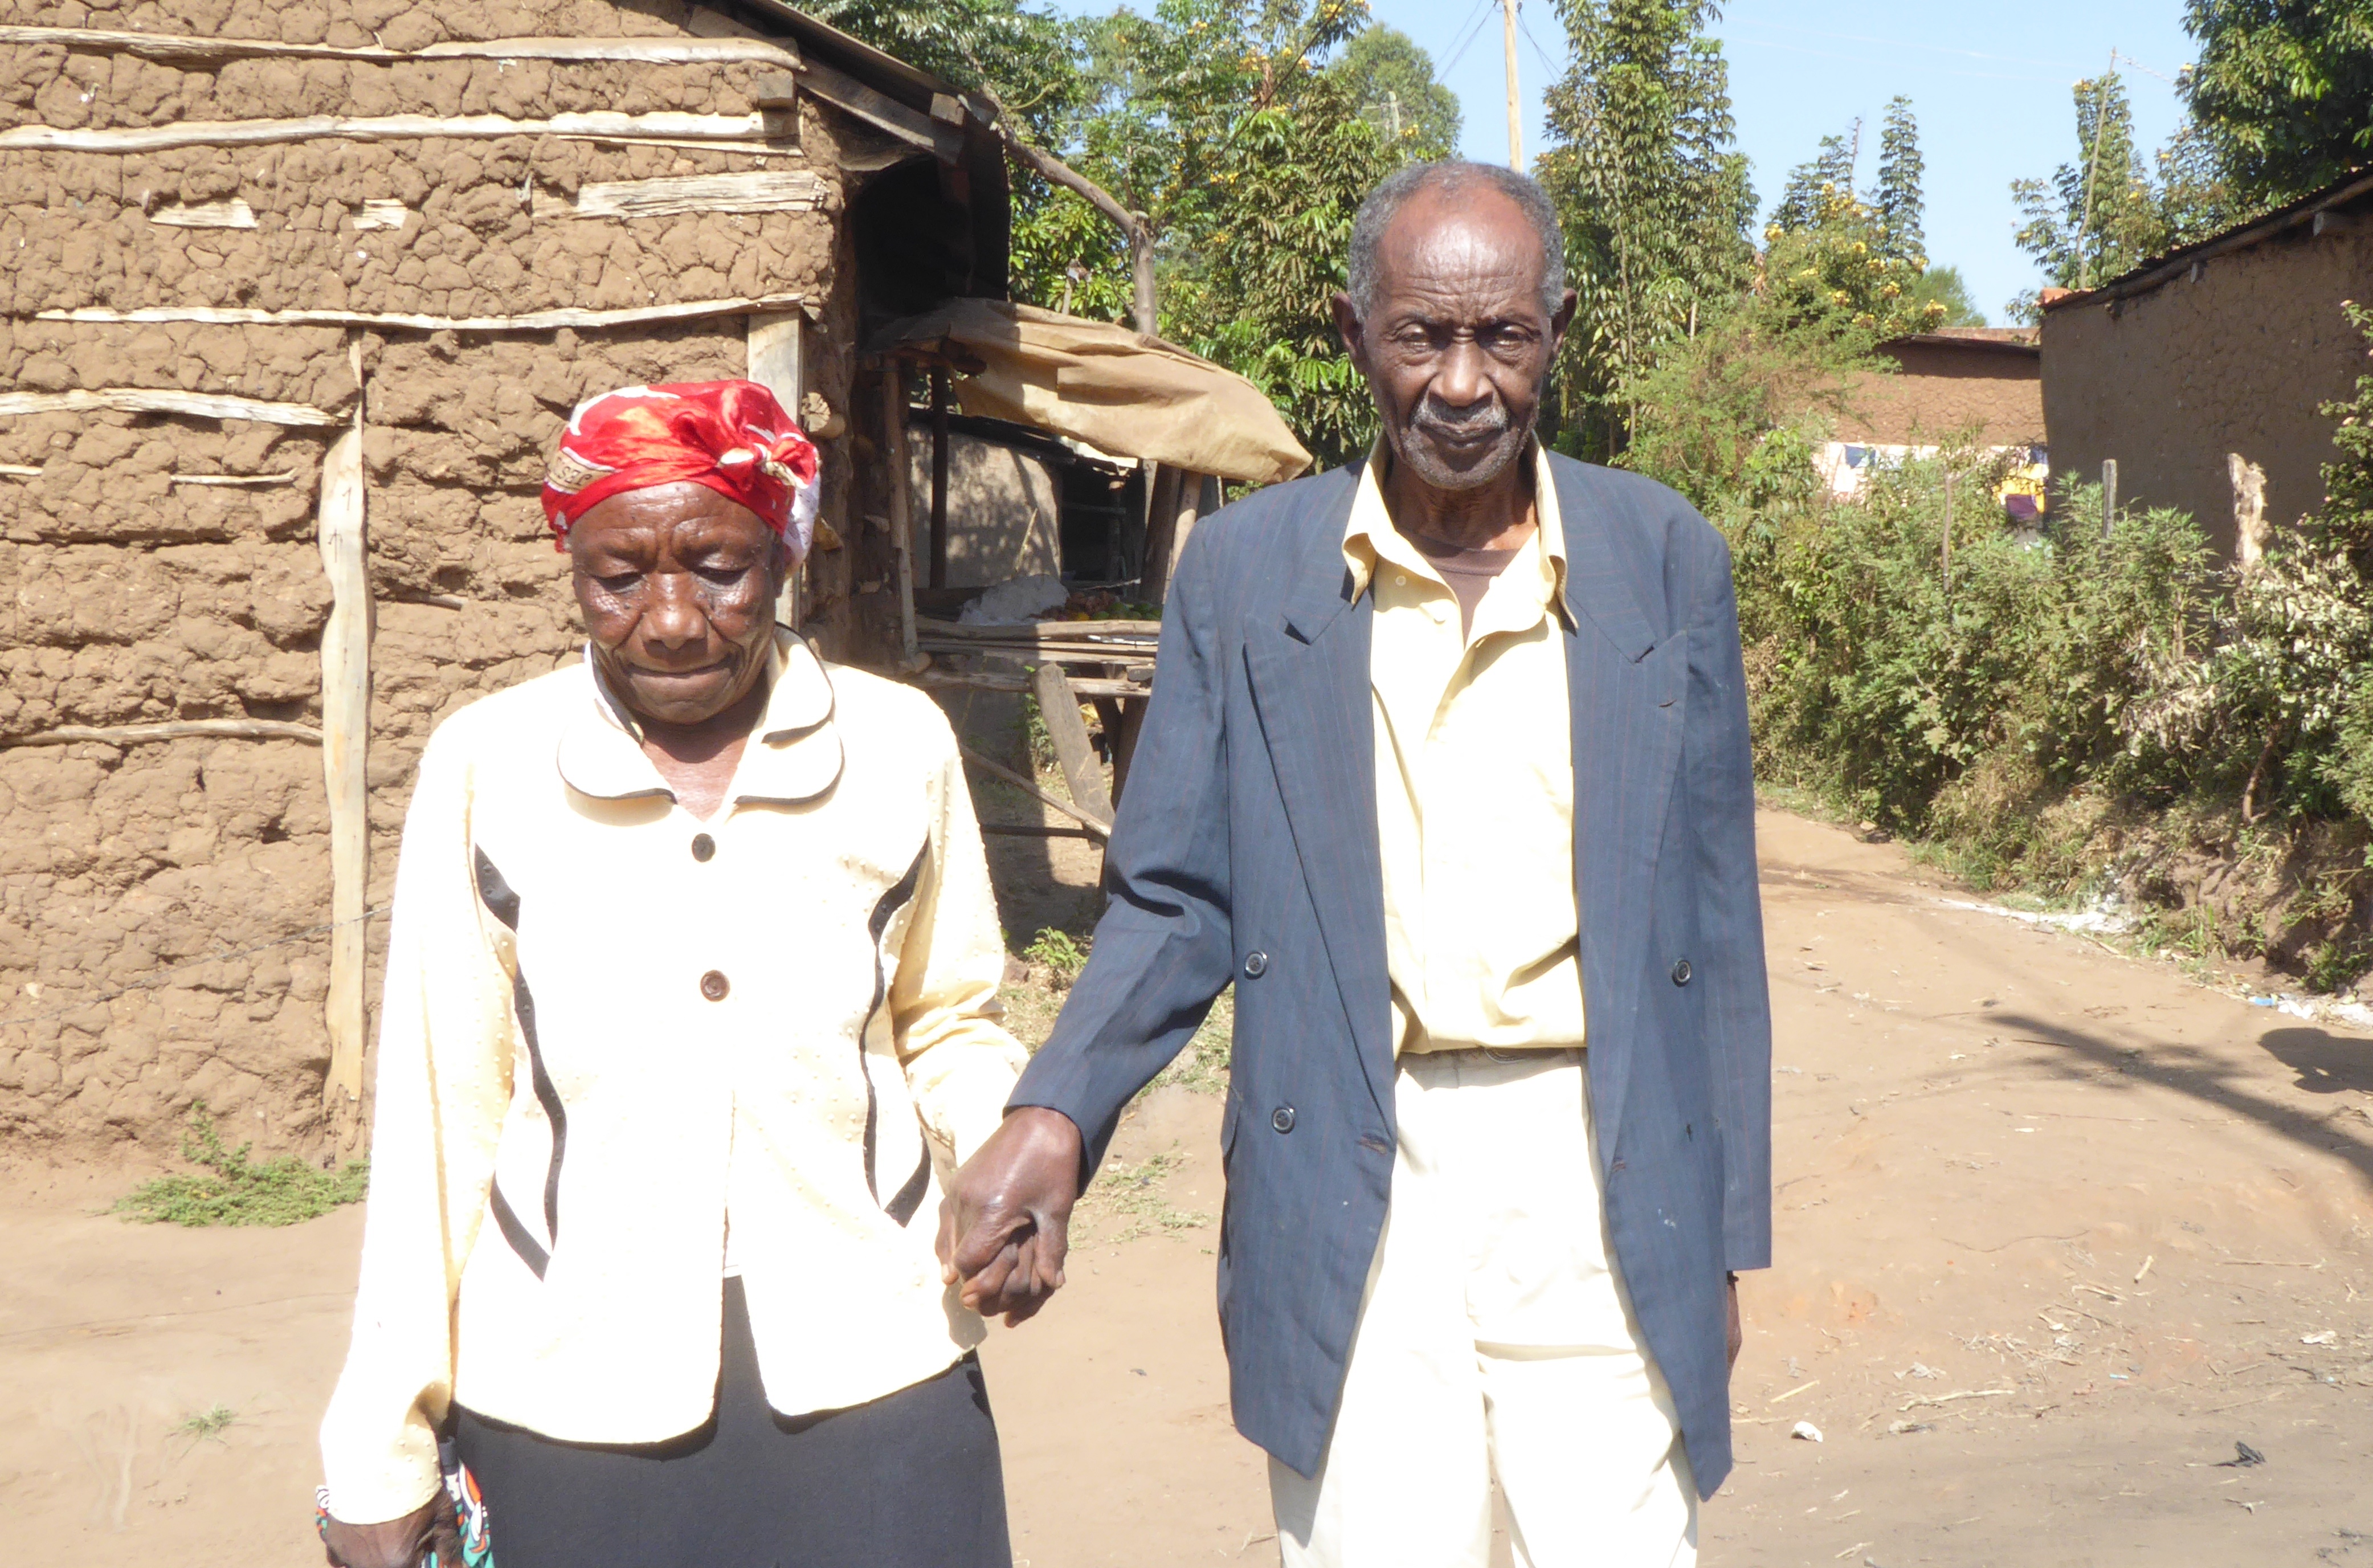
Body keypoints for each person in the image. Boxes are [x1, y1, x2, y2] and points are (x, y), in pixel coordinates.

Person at [940, 161, 1771, 1567]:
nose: (1461, 384)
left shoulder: (1660, 558)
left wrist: (1725, 1233)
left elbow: (1714, 918)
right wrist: (1059, 1108)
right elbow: (1173, 894)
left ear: (1554, 329)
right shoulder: (1250, 577)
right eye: (1419, 336)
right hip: (1340, 1148)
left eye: (1500, 336)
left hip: (1599, 1158)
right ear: (1352, 334)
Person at [316, 381, 1024, 1568]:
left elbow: (947, 1013)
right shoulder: (490, 766)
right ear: (571, 570)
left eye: (718, 565)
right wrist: (379, 1440)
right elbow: (441, 1119)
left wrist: (998, 1143)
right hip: (570, 1372)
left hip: (874, 1347)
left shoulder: (895, 744)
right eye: (620, 574)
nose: (674, 618)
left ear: (783, 556)